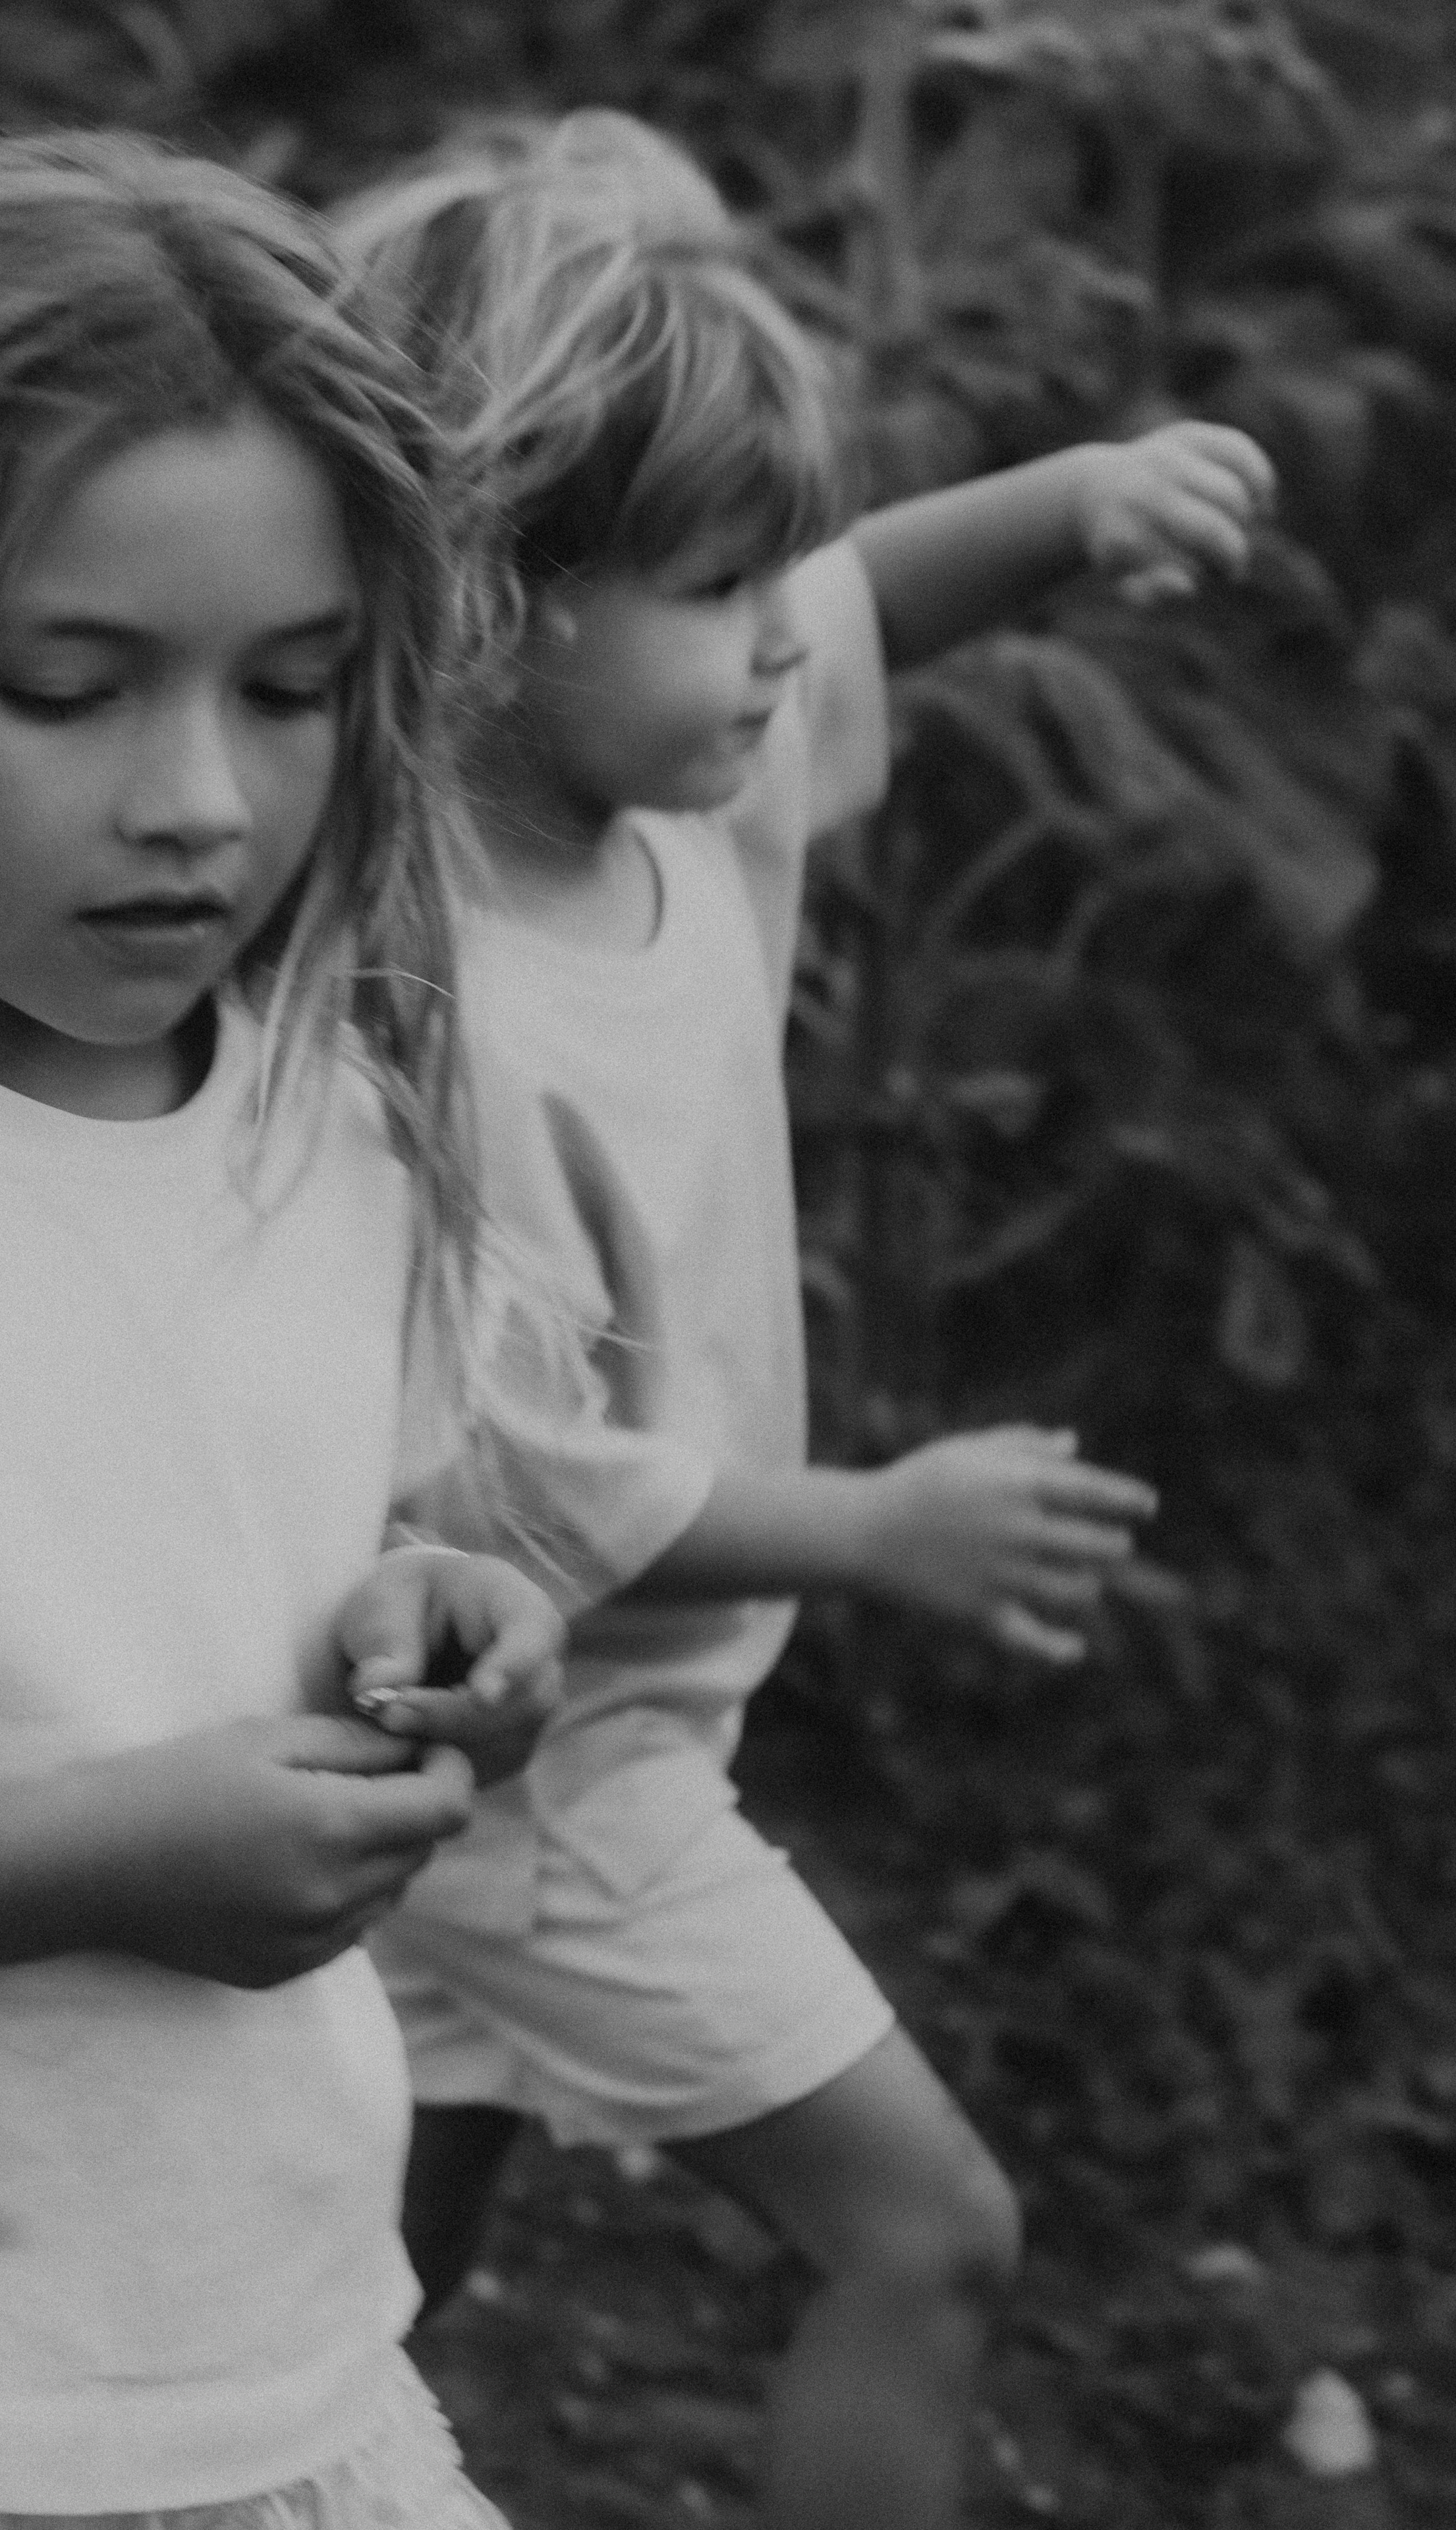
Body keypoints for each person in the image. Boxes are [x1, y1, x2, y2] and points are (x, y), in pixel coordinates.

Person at [329, 110, 1278, 2530]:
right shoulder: (446, 1010)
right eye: (719, 582)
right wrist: (869, 1529)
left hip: (543, 1742)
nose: (784, 634)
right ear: (494, 598)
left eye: (776, 571)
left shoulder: (689, 790)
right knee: (929, 2234)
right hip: (551, 1750)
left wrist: (1077, 504)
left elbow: (868, 605)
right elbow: (496, 1483)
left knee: (361, 2293)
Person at [0, 128, 592, 2530]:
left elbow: (247, 1538)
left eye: (294, 689)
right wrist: (89, 1864)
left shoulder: (317, 1114)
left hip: (284, 2372)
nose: (200, 803)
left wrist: (443, 1621)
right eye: (66, 687)